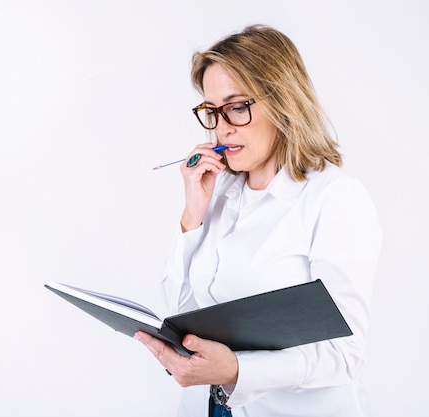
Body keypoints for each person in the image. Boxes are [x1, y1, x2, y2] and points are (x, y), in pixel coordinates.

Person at [134, 24, 382, 417]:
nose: (222, 127)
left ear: (284, 102)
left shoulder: (334, 198)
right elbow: (183, 316)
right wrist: (192, 216)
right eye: (212, 111)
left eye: (236, 107)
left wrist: (236, 368)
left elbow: (344, 353)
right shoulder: (218, 192)